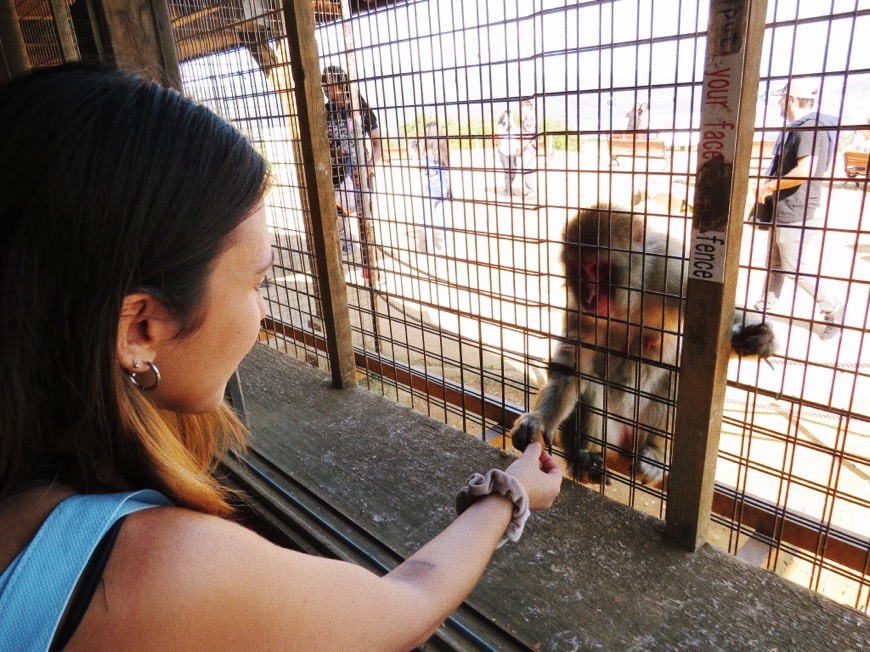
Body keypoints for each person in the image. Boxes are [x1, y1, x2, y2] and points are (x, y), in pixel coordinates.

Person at [0, 65, 562, 650]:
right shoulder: (159, 571)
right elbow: (406, 605)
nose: (263, 312)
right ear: (140, 328)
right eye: (257, 282)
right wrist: (511, 492)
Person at [754, 77, 845, 341]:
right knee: (776, 265)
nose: (780, 102)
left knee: (794, 268)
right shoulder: (801, 128)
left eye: (782, 97)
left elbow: (805, 170)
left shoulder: (808, 129)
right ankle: (763, 311)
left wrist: (770, 186)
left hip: (797, 211)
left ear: (791, 100)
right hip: (787, 209)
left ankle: (834, 310)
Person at [321, 64, 382, 254]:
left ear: (341, 84)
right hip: (337, 175)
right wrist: (333, 152)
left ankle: (368, 259)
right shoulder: (324, 111)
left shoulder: (360, 107)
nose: (325, 89)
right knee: (338, 217)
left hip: (360, 173)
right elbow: (322, 145)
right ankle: (346, 250)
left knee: (365, 218)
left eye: (329, 84)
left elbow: (378, 144)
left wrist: (367, 169)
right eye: (324, 84)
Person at [410, 122, 452, 255]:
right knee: (443, 218)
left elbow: (421, 166)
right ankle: (447, 247)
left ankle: (431, 250)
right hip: (443, 187)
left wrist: (419, 153)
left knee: (427, 219)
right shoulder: (442, 151)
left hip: (431, 189)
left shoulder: (428, 153)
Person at [518, 98, 539, 199]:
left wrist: (521, 147)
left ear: (528, 107)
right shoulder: (527, 118)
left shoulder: (530, 118)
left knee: (526, 168)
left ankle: (531, 191)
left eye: (522, 106)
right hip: (528, 146)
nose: (521, 109)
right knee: (526, 167)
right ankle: (531, 191)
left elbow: (530, 135)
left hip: (529, 146)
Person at [495, 108, 519, 196]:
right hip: (503, 152)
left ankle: (507, 187)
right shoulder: (500, 126)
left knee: (514, 171)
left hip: (512, 152)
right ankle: (509, 192)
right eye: (507, 116)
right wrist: (506, 125)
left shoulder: (513, 126)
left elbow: (518, 133)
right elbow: (500, 135)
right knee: (507, 172)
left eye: (510, 116)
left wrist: (513, 124)